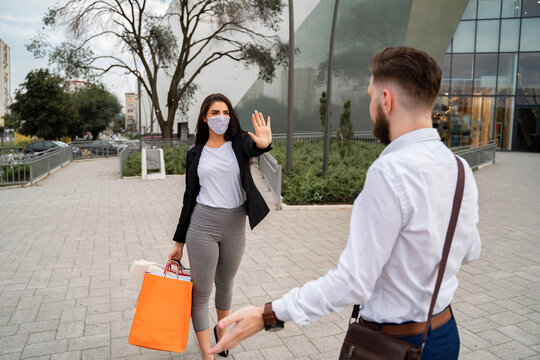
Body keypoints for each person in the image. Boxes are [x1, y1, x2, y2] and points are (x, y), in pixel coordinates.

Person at [209, 47, 481, 359]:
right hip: (445, 335)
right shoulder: (460, 168)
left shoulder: (389, 172)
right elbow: (470, 250)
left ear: (387, 100)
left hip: (394, 344)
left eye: (371, 96)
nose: (371, 107)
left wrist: (267, 314)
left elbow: (354, 282)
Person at [168, 93, 272, 360]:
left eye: (225, 112)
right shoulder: (195, 154)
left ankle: (222, 333)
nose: (221, 118)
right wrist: (178, 244)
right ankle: (208, 355)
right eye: (215, 113)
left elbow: (256, 146)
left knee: (225, 284)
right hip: (202, 225)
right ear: (204, 117)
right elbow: (188, 199)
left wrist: (264, 143)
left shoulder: (239, 142)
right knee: (201, 292)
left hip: (235, 225)